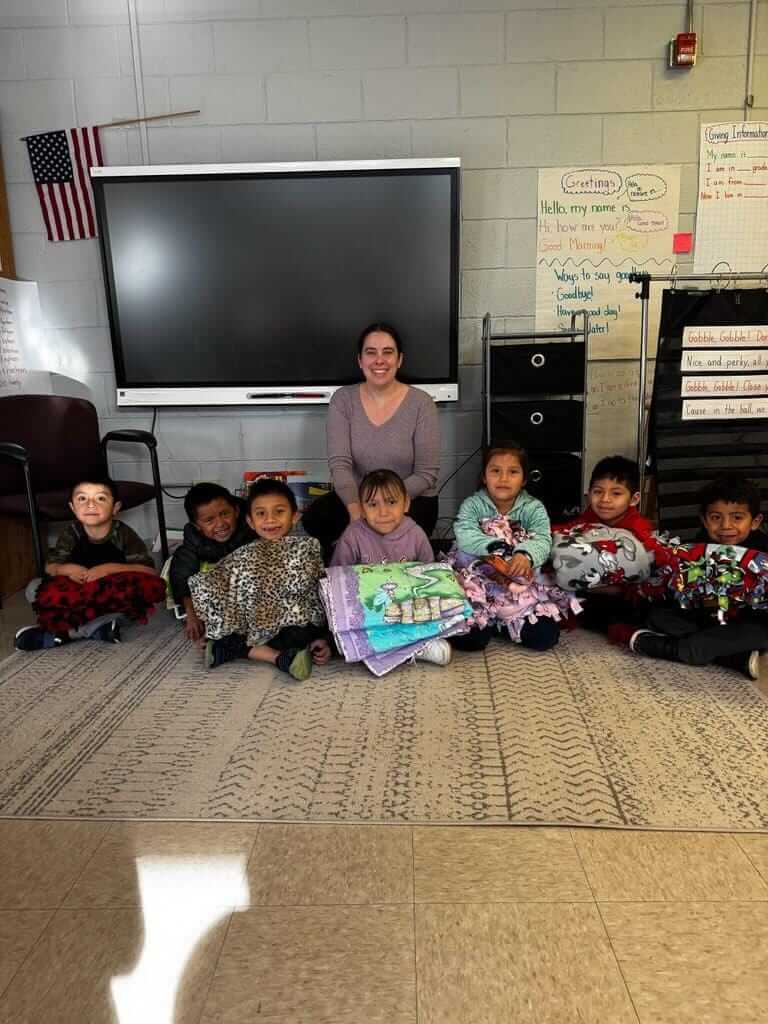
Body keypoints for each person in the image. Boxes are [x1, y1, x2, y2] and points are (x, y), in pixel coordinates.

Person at [302, 322, 440, 559]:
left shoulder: (422, 403)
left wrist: (386, 504)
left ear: (399, 360)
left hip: (409, 499)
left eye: (388, 352)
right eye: (371, 352)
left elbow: (427, 473)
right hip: (358, 497)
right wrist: (359, 509)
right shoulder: (343, 400)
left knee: (398, 542)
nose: (379, 360)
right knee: (315, 519)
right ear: (360, 360)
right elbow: (340, 464)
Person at [619, 473, 768, 680]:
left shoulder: (764, 553)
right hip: (705, 617)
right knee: (657, 616)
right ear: (704, 520)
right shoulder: (698, 547)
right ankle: (732, 658)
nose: (726, 526)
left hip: (745, 621)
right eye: (716, 517)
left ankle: (669, 648)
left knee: (758, 634)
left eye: (737, 517)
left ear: (755, 521)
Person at [190, 478, 331, 681]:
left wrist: (325, 639)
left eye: (279, 511)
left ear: (294, 516)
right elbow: (216, 588)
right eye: (261, 513)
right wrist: (216, 626)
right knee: (232, 634)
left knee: (302, 636)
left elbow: (321, 592)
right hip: (256, 624)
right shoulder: (244, 554)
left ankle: (228, 650)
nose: (270, 519)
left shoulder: (308, 548)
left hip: (294, 622)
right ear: (250, 521)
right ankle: (278, 658)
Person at [448, 442, 577, 652]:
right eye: (496, 471)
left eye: (513, 472)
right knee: (470, 640)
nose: (503, 478)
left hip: (519, 591)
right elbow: (465, 534)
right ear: (484, 476)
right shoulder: (472, 505)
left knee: (546, 638)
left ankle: (507, 622)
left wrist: (525, 555)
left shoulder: (533, 507)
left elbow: (543, 539)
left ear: (524, 478)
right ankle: (488, 619)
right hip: (480, 584)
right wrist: (494, 547)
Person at [15, 476, 166, 651]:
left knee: (148, 589)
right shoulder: (71, 533)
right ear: (73, 507)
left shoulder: (123, 534)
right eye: (82, 499)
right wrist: (66, 570)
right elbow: (51, 567)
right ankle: (95, 629)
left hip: (109, 593)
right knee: (34, 587)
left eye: (100, 498)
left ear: (115, 507)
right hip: (77, 591)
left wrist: (109, 569)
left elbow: (148, 571)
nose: (91, 505)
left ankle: (63, 634)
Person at [331, 468, 451, 665]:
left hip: (407, 606)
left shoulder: (415, 534)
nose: (383, 512)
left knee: (441, 609)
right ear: (361, 508)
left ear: (406, 503)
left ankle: (417, 644)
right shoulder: (353, 535)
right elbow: (338, 580)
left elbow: (430, 577)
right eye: (373, 504)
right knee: (341, 634)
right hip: (371, 609)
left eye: (391, 502)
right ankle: (404, 648)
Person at [552, 455, 661, 631]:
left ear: (634, 499)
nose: (605, 500)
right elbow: (566, 531)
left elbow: (643, 577)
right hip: (588, 586)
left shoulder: (639, 530)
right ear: (588, 494)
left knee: (632, 613)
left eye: (616, 493)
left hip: (622, 593)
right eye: (598, 491)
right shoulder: (589, 518)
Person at [169, 482, 255, 643]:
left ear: (236, 511)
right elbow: (182, 575)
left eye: (224, 514)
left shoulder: (251, 525)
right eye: (209, 520)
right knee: (177, 563)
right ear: (197, 525)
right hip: (214, 576)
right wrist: (191, 613)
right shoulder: (193, 538)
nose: (220, 524)